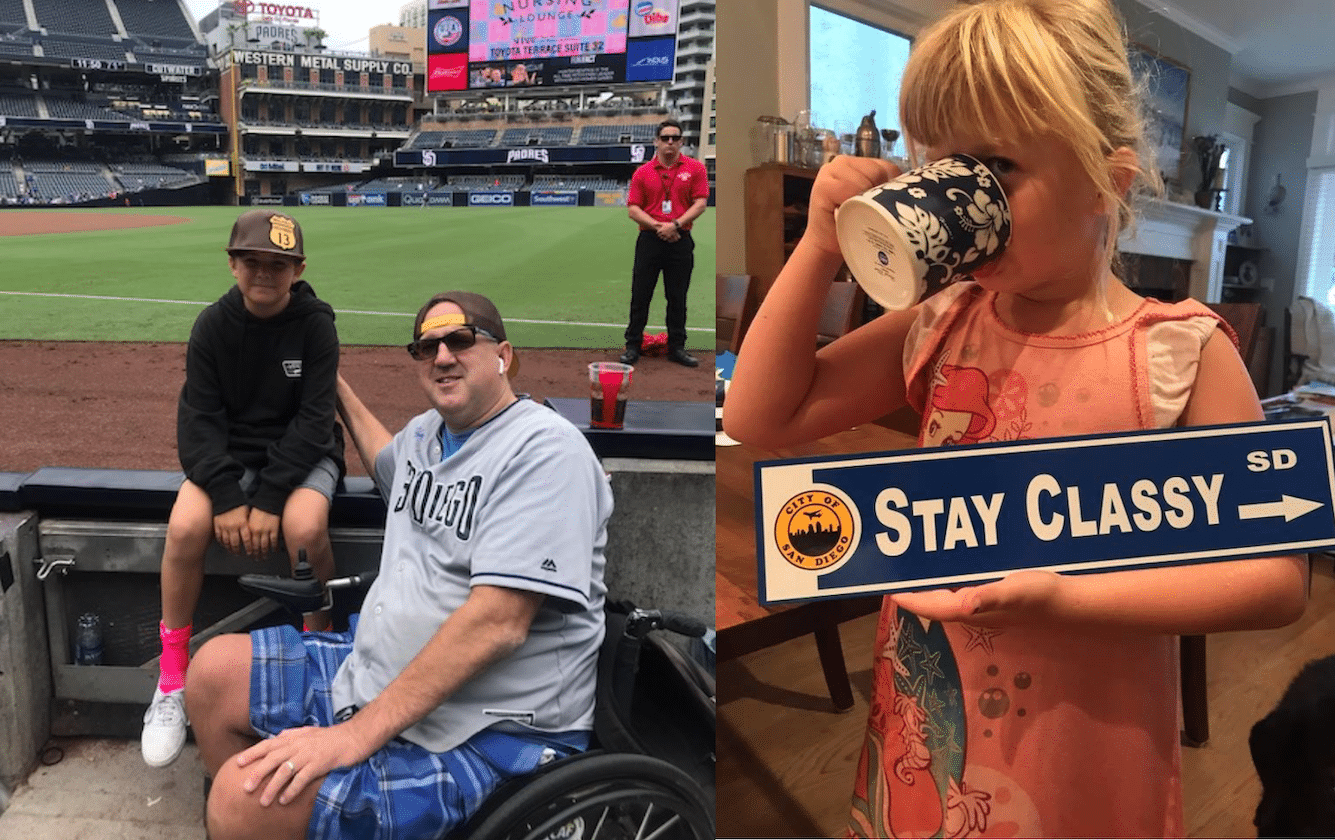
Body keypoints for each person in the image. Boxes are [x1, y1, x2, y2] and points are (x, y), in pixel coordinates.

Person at [722, 0, 1308, 835]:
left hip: (1084, 735)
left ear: (1106, 180)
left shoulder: (1176, 354)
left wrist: (1066, 594)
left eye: (994, 171)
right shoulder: (943, 321)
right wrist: (822, 244)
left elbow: (1277, 579)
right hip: (933, 720)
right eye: (940, 167)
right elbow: (759, 414)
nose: (961, 205)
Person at [184, 291, 611, 840]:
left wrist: (355, 735)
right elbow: (386, 458)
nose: (442, 356)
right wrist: (327, 378)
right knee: (213, 673)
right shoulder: (426, 436)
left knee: (242, 800)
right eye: (426, 346)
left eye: (460, 340)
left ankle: (255, 821)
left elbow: (499, 624)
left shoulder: (545, 451)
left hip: (487, 727)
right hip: (378, 671)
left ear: (504, 354)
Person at [142, 209, 344, 769]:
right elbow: (198, 421)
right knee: (184, 526)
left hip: (302, 458)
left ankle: (321, 653)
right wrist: (230, 498)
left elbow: (314, 421)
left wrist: (272, 498)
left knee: (305, 530)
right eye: (252, 262)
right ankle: (172, 674)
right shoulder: (211, 325)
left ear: (297, 269)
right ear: (232, 265)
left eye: (278, 264)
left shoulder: (315, 324)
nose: (264, 273)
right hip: (229, 459)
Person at [620, 118, 710, 368]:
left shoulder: (695, 169)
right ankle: (632, 346)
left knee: (677, 296)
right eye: (665, 138)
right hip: (650, 239)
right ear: (656, 142)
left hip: (680, 239)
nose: (670, 142)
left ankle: (677, 347)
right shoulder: (643, 172)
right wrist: (659, 226)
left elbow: (700, 203)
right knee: (640, 294)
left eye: (675, 138)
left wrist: (676, 225)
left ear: (681, 142)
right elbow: (633, 209)